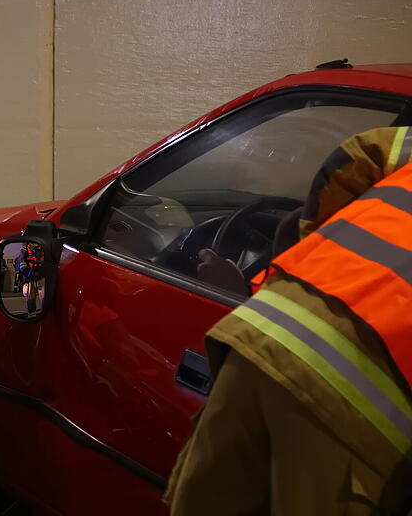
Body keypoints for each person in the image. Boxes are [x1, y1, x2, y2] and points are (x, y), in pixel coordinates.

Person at [165, 126, 412, 515]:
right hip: (358, 403)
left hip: (261, 335)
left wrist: (296, 276)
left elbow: (349, 163)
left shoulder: (402, 144)